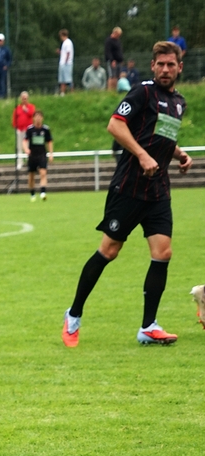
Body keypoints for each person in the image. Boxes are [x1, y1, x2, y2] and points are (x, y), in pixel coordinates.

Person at [62, 41, 191, 348]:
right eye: (160, 64)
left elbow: (161, 136)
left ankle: (148, 326)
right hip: (129, 187)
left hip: (158, 190)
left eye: (171, 65)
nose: (165, 69)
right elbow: (115, 125)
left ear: (179, 68)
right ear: (153, 66)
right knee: (109, 251)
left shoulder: (178, 102)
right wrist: (142, 155)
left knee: (163, 253)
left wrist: (180, 154)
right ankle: (74, 314)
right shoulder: (142, 92)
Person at [23, 110, 53, 202]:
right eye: (36, 117)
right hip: (32, 155)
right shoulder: (30, 129)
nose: (38, 118)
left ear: (42, 118)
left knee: (43, 173)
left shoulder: (45, 129)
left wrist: (51, 153)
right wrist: (26, 149)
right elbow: (24, 140)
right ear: (33, 118)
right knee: (31, 176)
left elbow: (49, 141)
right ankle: (32, 194)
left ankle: (43, 192)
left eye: (40, 117)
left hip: (42, 154)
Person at [13, 92, 36, 170]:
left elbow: (32, 114)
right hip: (20, 130)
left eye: (25, 98)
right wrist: (15, 126)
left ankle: (29, 161)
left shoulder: (31, 107)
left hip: (28, 130)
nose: (24, 100)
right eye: (23, 98)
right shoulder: (17, 108)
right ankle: (20, 162)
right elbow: (14, 118)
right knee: (19, 146)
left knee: (29, 146)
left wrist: (26, 110)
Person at [105, 27, 124, 92]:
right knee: (112, 76)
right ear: (115, 33)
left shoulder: (117, 41)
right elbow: (108, 51)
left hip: (118, 61)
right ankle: (110, 90)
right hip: (112, 61)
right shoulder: (109, 41)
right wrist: (112, 60)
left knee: (117, 76)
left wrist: (121, 60)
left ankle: (115, 90)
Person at [57, 29, 74, 95]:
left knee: (68, 79)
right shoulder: (64, 43)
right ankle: (62, 93)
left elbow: (68, 52)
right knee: (62, 79)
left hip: (67, 64)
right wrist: (60, 52)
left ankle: (72, 92)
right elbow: (64, 53)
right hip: (62, 63)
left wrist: (66, 61)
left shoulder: (68, 42)